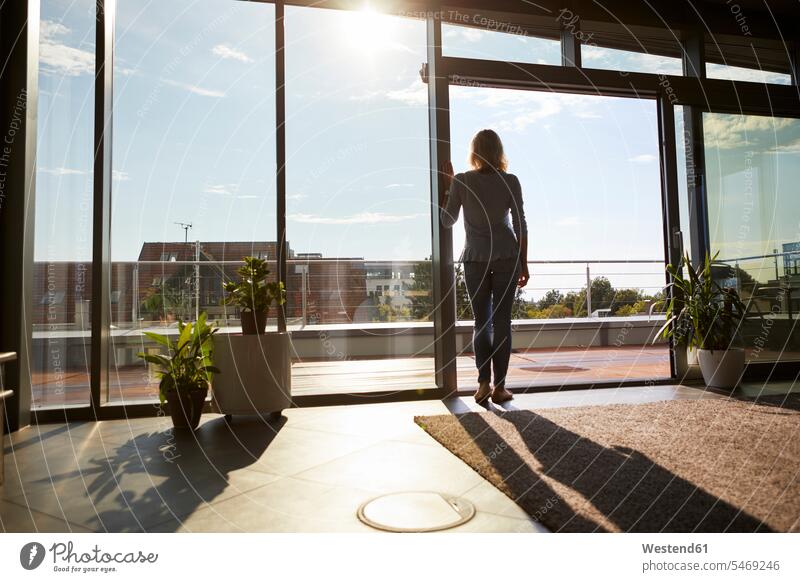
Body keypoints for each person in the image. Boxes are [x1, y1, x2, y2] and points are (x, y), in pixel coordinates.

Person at [440, 129, 529, 404]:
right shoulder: (510, 180)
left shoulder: (462, 182)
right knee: (502, 322)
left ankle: (482, 385)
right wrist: (523, 262)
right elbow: (520, 224)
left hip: (475, 258)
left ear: (474, 151)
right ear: (499, 151)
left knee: (481, 323)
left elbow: (446, 221)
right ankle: (500, 387)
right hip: (506, 256)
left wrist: (449, 185)